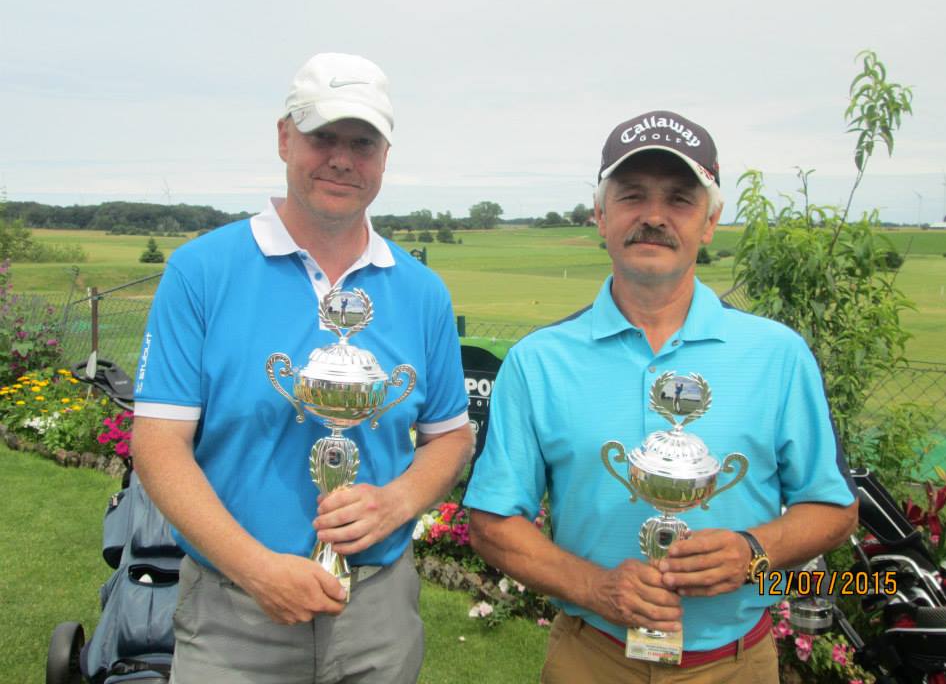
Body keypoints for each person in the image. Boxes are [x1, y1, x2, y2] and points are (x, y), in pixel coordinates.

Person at [465, 110, 858, 683]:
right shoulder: (539, 361)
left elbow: (833, 510)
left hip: (735, 665)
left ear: (710, 221)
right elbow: (492, 521)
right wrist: (595, 587)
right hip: (591, 660)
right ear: (601, 215)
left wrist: (753, 551)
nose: (653, 216)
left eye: (679, 199)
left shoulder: (778, 355)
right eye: (632, 196)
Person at [131, 52, 473, 683]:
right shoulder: (201, 271)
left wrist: (397, 501)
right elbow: (158, 443)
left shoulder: (422, 291)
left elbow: (450, 437)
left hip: (378, 612)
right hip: (234, 612)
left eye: (362, 143)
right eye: (323, 137)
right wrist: (256, 569)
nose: (342, 159)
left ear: (385, 157)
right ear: (285, 137)